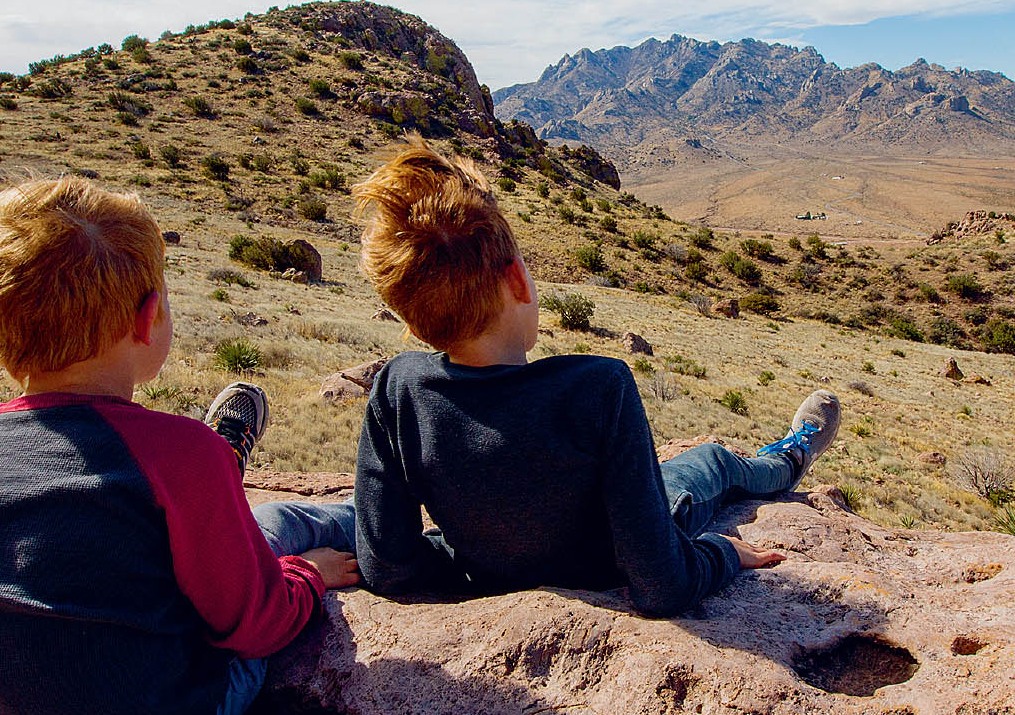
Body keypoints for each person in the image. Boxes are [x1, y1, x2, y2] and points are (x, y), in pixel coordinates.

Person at [0, 176, 356, 715]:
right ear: (148, 319)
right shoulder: (178, 453)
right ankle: (380, 521)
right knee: (277, 524)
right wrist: (304, 580)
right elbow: (255, 625)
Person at [350, 142, 840, 616]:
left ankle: (785, 457)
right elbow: (660, 584)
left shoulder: (399, 391)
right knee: (713, 463)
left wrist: (471, 564)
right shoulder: (597, 387)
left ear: (413, 324)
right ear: (517, 279)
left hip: (488, 572)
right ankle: (788, 459)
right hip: (618, 558)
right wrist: (723, 553)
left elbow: (387, 567)